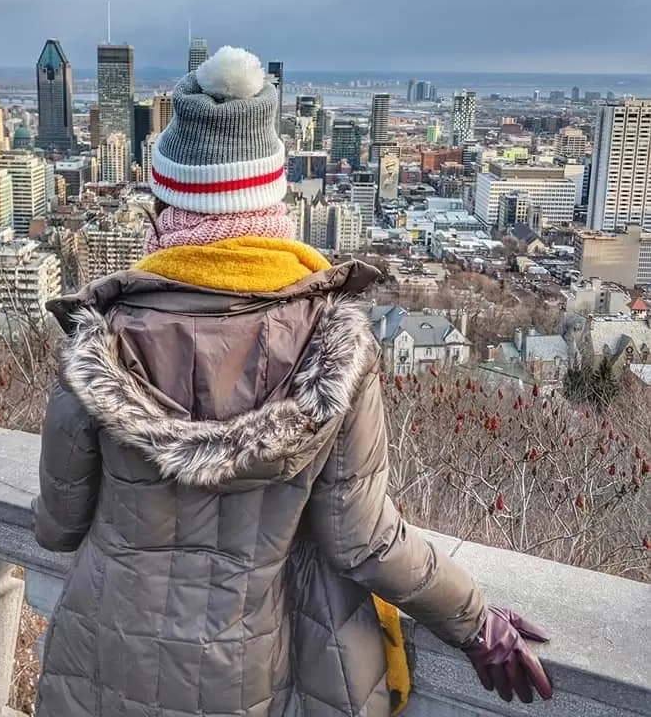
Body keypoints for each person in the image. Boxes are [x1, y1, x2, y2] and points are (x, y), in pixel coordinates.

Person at [33, 46, 553, 716]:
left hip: (103, 658)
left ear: (164, 198)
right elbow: (363, 539)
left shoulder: (100, 342)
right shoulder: (329, 346)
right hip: (247, 666)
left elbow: (57, 526)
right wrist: (475, 620)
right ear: (274, 199)